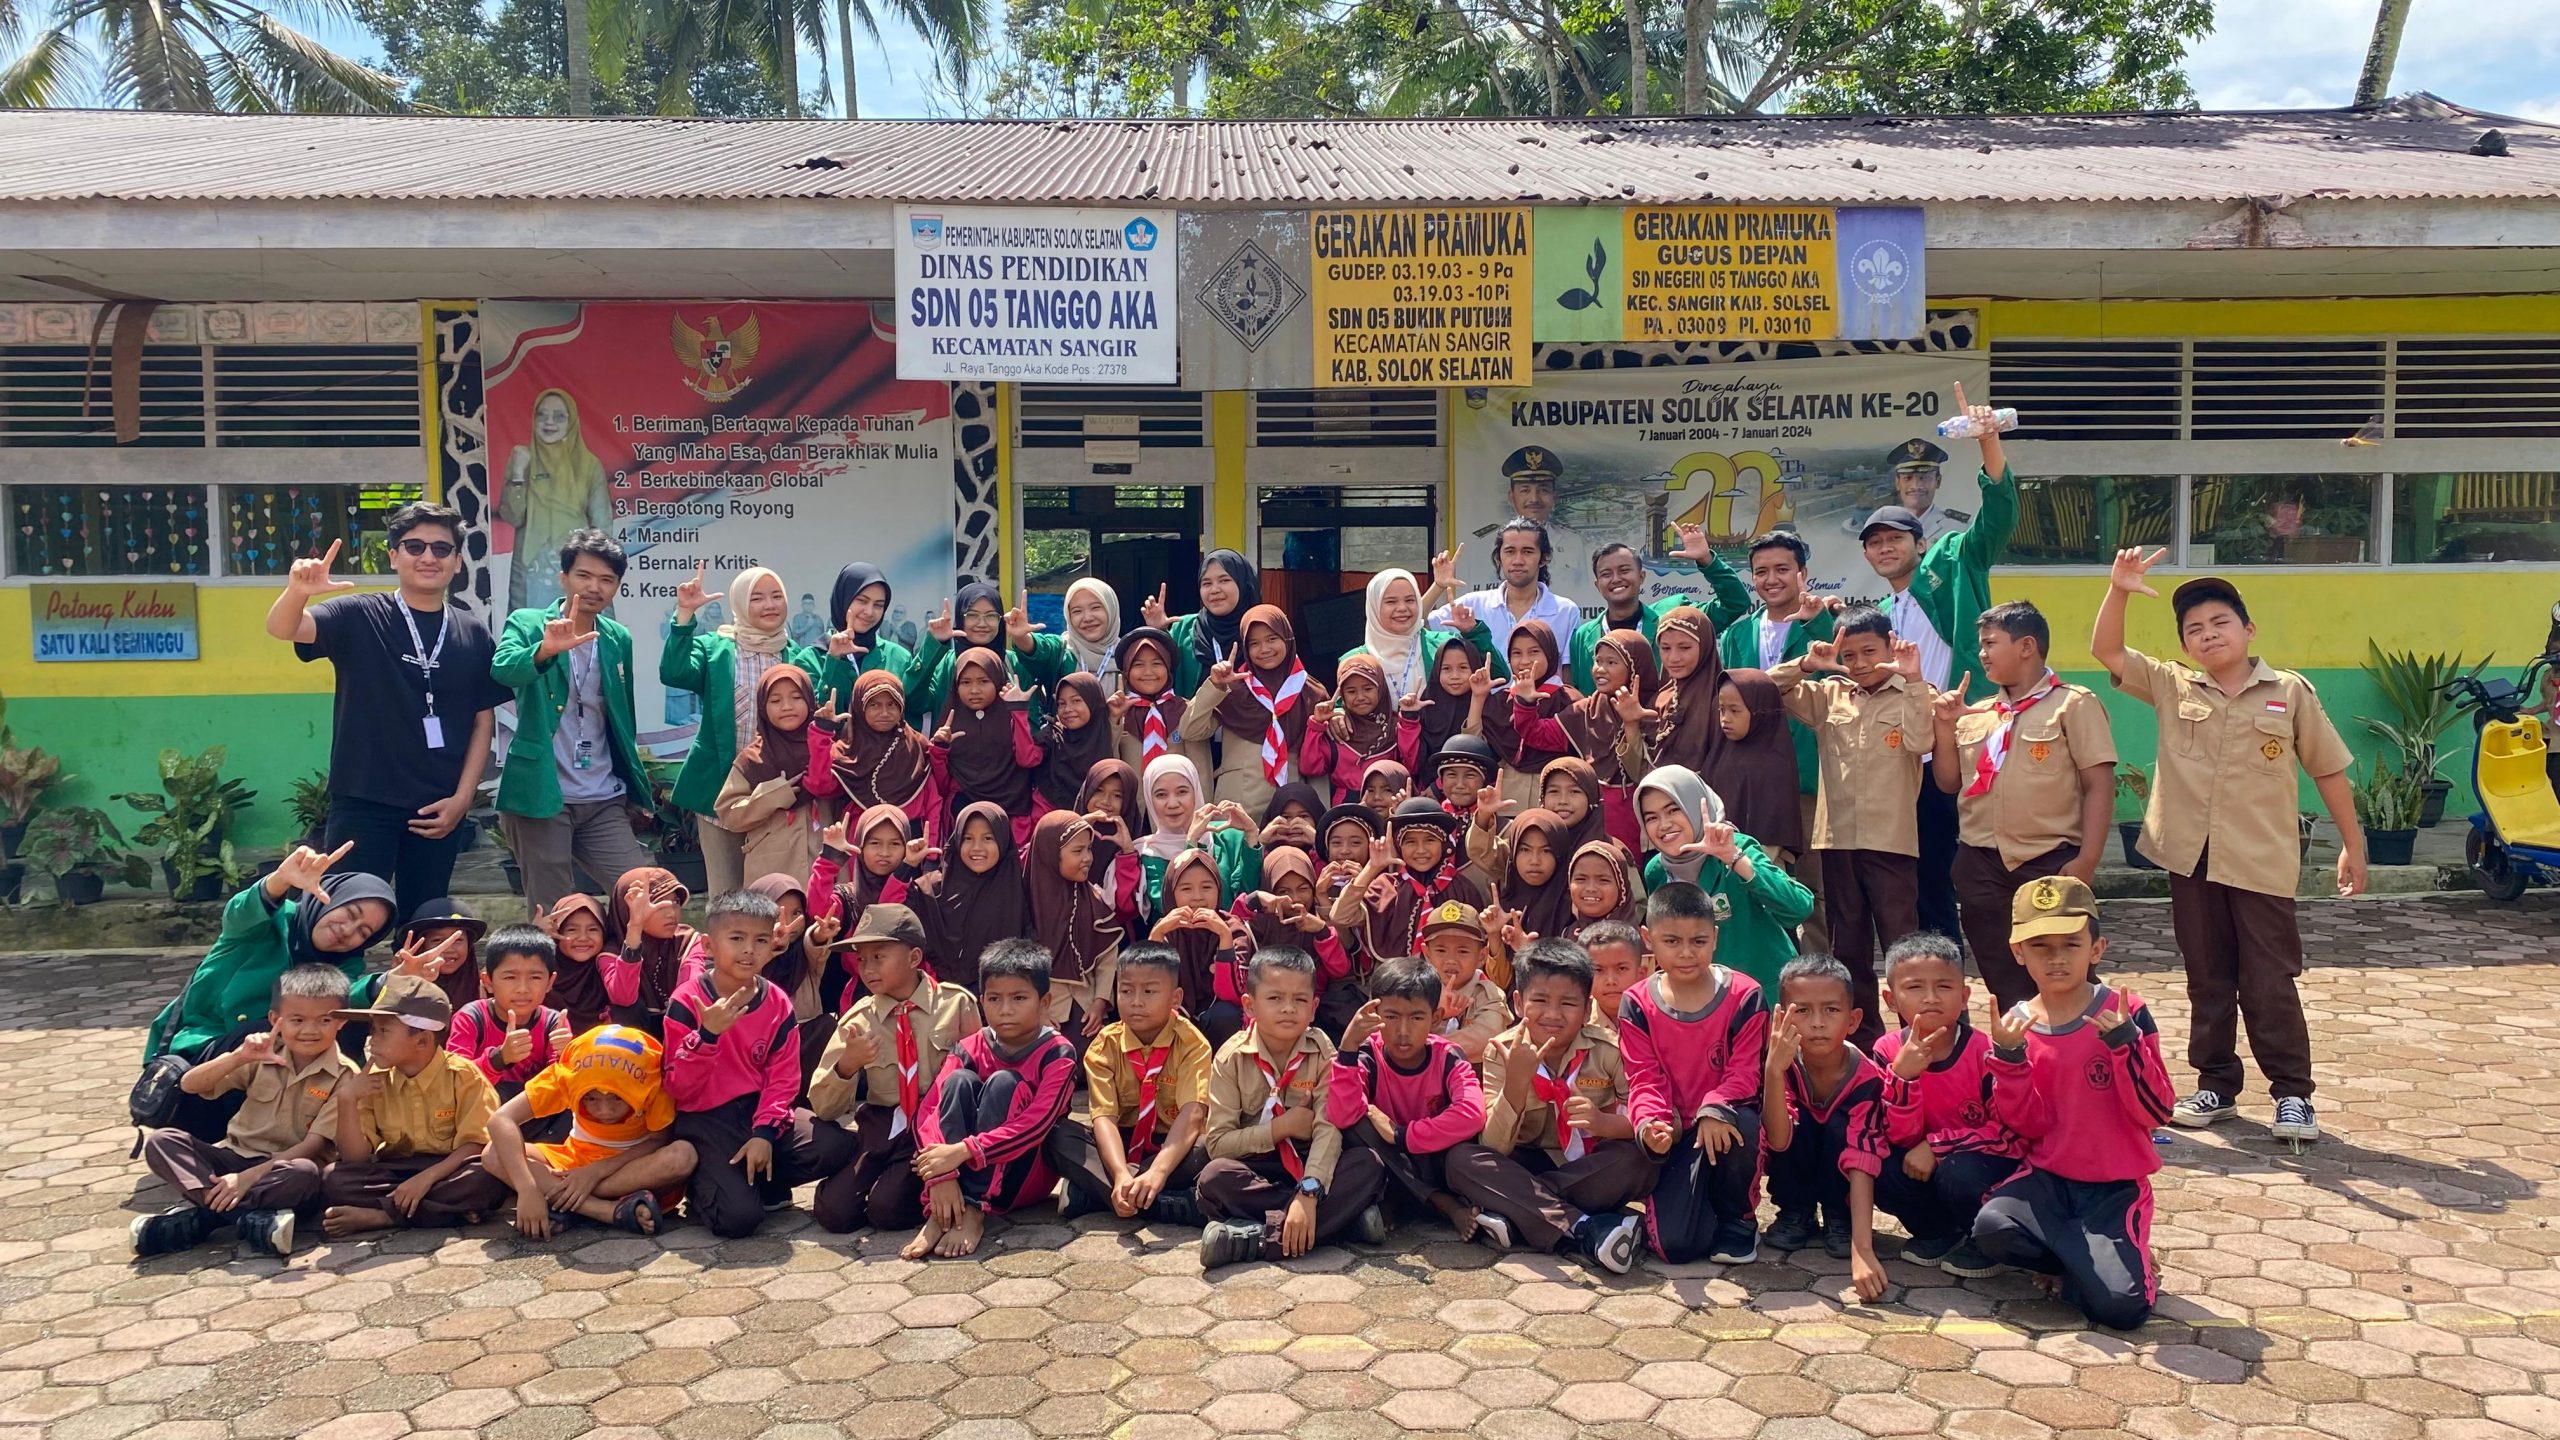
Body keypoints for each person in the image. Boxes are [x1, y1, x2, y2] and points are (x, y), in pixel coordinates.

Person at [2091, 552, 2363, 1143]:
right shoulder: (2171, 684)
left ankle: (2293, 1096)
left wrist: (2353, 843)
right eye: (2194, 629)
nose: (2208, 634)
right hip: (2191, 859)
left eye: (2220, 622)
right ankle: (2215, 1085)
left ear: (2248, 630)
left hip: (2261, 861)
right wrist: (2118, 591)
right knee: (2207, 977)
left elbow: (2330, 770)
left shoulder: (2288, 693)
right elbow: (2107, 652)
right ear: (2186, 645)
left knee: (2269, 980)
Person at [267, 503, 506, 918]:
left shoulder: (472, 631)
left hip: (437, 809)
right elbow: (283, 627)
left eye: (441, 548)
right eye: (414, 547)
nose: (428, 557)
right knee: (342, 917)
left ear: (456, 561)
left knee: (424, 920)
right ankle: (340, 986)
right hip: (364, 801)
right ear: (394, 556)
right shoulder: (358, 614)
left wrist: (462, 800)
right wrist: (298, 590)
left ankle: (412, 986)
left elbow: (482, 720)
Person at [1972, 877, 2176, 1330]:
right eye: (2040, 945)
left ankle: (2119, 1256)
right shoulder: (2017, 1025)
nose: (2057, 957)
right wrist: (2008, 1059)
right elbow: (2026, 1125)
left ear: (2096, 949)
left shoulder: (2126, 1013)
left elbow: (2158, 1111)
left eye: (2071, 944)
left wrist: (2125, 1046)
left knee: (2123, 1311)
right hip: (2048, 1181)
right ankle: (2081, 1262)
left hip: (2112, 1187)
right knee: (1991, 1229)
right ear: (2018, 951)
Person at [1860, 385, 2017, 949]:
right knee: (1923, 869)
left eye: (1894, 538)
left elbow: (1997, 516)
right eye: (1873, 542)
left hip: (1965, 740)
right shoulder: (1876, 615)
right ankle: (1939, 969)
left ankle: (2010, 967)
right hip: (1908, 756)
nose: (1884, 548)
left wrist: (1989, 441)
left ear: (1919, 543)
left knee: (1976, 866)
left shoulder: (1954, 564)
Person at [1933, 601, 2118, 1013]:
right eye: (1981, 645)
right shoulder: (1979, 714)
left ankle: (2092, 1052)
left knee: (2064, 967)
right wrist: (1945, 727)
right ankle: (2024, 1056)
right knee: (2001, 967)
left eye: (1990, 643)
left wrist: (2088, 858)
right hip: (1981, 862)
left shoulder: (2072, 704)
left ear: (2027, 646)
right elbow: (1948, 782)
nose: (1982, 653)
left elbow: (2099, 784)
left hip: (2048, 860)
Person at [1771, 609, 1936, 1037]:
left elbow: (1922, 742)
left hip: (1892, 841)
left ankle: (1916, 1034)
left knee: (1903, 946)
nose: (1859, 662)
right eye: (1849, 654)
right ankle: (1864, 1040)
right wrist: (1808, 664)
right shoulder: (1830, 695)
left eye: (1869, 651)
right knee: (1849, 947)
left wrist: (1915, 681)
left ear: (1891, 645)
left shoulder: (1914, 692)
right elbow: (1766, 689)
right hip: (1837, 839)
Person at [1448, 939, 1654, 1273]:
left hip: (1590, 1168)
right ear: (1518, 1002)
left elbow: (1652, 1115)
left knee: (1639, 1158)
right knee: (1461, 1160)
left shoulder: (1610, 1050)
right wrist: (1516, 1084)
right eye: (1540, 1000)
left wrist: (1605, 1123)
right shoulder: (1500, 1051)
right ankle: (1588, 1227)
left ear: (1587, 1009)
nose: (1553, 1014)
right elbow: (1494, 1145)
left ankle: (1519, 1213)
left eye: (1568, 1003)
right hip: (1526, 1161)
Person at [142, 843, 395, 1112]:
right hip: (203, 1058)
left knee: (343, 1020)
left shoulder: (346, 960)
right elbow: (241, 911)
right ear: (329, 897)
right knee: (265, 1031)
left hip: (273, 1065)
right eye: (350, 914)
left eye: (363, 932)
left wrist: (389, 981)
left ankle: (332, 1124)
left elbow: (345, 994)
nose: (348, 931)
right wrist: (280, 879)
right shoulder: (272, 919)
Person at [662, 889, 855, 1238]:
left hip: (758, 1111)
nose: (749, 949)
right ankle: (707, 1185)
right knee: (738, 1220)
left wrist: (764, 1132)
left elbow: (783, 1078)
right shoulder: (688, 1001)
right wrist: (707, 1036)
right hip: (707, 1118)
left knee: (837, 1145)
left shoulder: (777, 1002)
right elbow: (677, 1087)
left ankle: (762, 1178)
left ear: (773, 945)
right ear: (708, 945)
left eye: (761, 940)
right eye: (736, 938)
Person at [132, 964, 356, 1259]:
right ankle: (245, 1218)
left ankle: (202, 1218)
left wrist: (248, 1179)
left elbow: (311, 1146)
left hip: (281, 1170)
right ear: (276, 1019)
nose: (309, 1030)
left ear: (341, 1022)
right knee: (163, 1141)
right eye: (297, 1019)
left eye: (324, 1020)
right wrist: (238, 1057)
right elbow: (188, 1084)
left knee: (306, 1173)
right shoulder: (260, 1055)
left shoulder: (346, 1075)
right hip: (232, 1157)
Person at [492, 529, 655, 913]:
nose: (594, 587)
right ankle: (551, 975)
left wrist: (635, 789)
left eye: (607, 579)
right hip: (542, 795)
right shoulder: (530, 623)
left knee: (645, 897)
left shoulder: (617, 638)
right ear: (563, 577)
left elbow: (620, 718)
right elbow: (503, 670)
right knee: (554, 912)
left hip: (602, 797)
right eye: (584, 575)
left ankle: (627, 972)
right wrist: (545, 649)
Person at [1197, 947, 1388, 1268]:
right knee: (1214, 1178)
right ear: (1249, 1005)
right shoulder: (1231, 1057)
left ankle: (1256, 1241)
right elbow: (1218, 1143)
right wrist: (1281, 1128)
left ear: (1313, 1007)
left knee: (1368, 1165)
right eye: (1274, 999)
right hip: (1258, 1167)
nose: (1288, 1009)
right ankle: (1342, 1223)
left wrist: (1309, 1192)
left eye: (1300, 1000)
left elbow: (1328, 1128)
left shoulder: (1322, 1049)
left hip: (1311, 1163)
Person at [808, 904, 982, 1234]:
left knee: (885, 1210)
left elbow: (977, 1080)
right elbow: (823, 1106)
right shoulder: (860, 1019)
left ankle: (920, 1192)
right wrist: (849, 1063)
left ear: (914, 958)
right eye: (861, 959)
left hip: (934, 1127)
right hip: (882, 1129)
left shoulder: (956, 1004)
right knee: (834, 1213)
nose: (867, 968)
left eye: (879, 956)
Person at [1618, 881, 1765, 1266]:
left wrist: (1714, 1106)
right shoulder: (1636, 1003)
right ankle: (1696, 1206)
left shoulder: (1745, 996)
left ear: (1715, 938)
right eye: (1672, 941)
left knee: (1743, 1123)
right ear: (1648, 939)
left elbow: (1745, 1073)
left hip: (1723, 1125)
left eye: (1698, 941)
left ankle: (1739, 1218)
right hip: (1676, 1133)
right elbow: (1643, 1077)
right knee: (1675, 1247)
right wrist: (1652, 1123)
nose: (1686, 954)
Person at [904, 941, 1081, 1259]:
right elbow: (928, 1110)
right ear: (982, 1000)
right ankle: (942, 1210)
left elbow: (1036, 1124)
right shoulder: (970, 1046)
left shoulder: (1058, 1053)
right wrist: (941, 1176)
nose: (1006, 1009)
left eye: (1019, 998)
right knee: (958, 1082)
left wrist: (963, 1151)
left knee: (1004, 1084)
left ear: (1044, 1003)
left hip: (1024, 1175)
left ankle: (972, 1211)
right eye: (995, 999)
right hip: (954, 1169)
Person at [663, 565, 824, 896]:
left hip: (780, 792)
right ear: (739, 604)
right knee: (727, 893)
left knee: (774, 893)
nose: (769, 605)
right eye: (758, 598)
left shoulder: (795, 655)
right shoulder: (717, 649)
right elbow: (674, 672)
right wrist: (684, 614)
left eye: (777, 596)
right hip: (723, 790)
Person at [1871, 932, 2021, 1279]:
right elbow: (1896, 1134)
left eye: (1944, 986)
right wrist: (1904, 1079)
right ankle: (1936, 1232)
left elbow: (2007, 1132)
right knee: (1880, 1166)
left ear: (1964, 996)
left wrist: (1937, 1146)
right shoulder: (1886, 1050)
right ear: (1891, 999)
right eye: (1914, 988)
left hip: (1978, 1165)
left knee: (1959, 1171)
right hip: (1918, 1163)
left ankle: (1982, 1240)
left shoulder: (1985, 1051)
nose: (1931, 998)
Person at [1716, 532, 1840, 951]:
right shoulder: (1737, 635)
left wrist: (1817, 622)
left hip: (1810, 776)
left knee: (1814, 889)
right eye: (1761, 572)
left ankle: (1818, 975)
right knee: (1754, 877)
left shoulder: (1824, 626)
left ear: (1803, 573)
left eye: (1783, 569)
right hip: (1753, 783)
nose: (1772, 579)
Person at [317, 973, 509, 1237]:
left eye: (383, 1031)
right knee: (334, 1179)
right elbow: (356, 1158)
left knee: (484, 1178)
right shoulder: (373, 1080)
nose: (373, 1040)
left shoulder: (464, 1076)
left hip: (448, 1168)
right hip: (396, 1170)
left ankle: (384, 1217)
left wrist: (426, 1179)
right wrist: (347, 1101)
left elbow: (475, 1145)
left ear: (422, 1040)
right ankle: (443, 1211)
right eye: (373, 1030)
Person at [1049, 943, 1215, 1226]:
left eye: (1149, 992)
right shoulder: (1104, 1044)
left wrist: (1159, 1171)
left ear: (1175, 998)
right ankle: (1156, 1202)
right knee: (1058, 1135)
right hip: (1120, 1146)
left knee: (1210, 1146)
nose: (1136, 1001)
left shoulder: (1192, 1043)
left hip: (1172, 1145)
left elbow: (1193, 1114)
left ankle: (1097, 1194)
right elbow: (1104, 1117)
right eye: (1126, 991)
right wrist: (1120, 1173)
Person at [1758, 954, 1891, 1301]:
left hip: (1845, 1179)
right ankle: (1795, 1212)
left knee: (1838, 1125)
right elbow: (1778, 1138)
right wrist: (1773, 1072)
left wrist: (1862, 1249)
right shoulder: (1780, 1065)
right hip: (1794, 1159)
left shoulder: (1866, 1077)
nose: (1817, 1023)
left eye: (1831, 1010)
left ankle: (1838, 1216)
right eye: (1802, 1011)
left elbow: (1862, 1159)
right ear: (1782, 1017)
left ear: (1853, 1019)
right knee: (1791, 1122)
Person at [484, 1024, 694, 1239]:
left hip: (630, 1169)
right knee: (493, 1152)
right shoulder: (569, 1073)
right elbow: (500, 1119)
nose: (605, 1110)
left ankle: (561, 1200)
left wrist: (594, 1173)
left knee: (682, 1156)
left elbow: (659, 1139)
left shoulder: (652, 1078)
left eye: (617, 1098)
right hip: (573, 1162)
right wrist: (527, 1188)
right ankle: (609, 1212)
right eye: (591, 1099)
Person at [1327, 957, 1488, 1235]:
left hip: (1433, 1159)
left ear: (1435, 1018)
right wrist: (1348, 1048)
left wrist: (1402, 1135)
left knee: (1463, 1151)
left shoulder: (1447, 1056)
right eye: (1391, 1017)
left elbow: (1473, 1113)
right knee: (1359, 1125)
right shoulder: (1367, 1054)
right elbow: (1342, 1116)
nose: (1403, 1031)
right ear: (1374, 1015)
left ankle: (1397, 1201)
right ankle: (1443, 1205)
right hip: (1387, 1163)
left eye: (1416, 1017)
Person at [1634, 765, 1815, 996]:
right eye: (1652, 817)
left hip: (1765, 998)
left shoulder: (1735, 846)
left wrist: (1734, 859)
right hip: (1702, 1005)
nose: (1664, 824)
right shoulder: (1656, 871)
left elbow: (1799, 907)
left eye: (1673, 810)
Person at [1567, 531, 1752, 692]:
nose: (1616, 579)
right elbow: (1580, 693)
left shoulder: (1673, 615)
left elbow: (1734, 603)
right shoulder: (1583, 636)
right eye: (1606, 574)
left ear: (1641, 577)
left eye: (1624, 570)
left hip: (1667, 726)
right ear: (1597, 585)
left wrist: (1706, 560)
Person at [498, 388, 615, 619]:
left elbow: (602, 527)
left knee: (587, 637)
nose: (549, 422)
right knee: (530, 635)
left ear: (571, 421)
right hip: (531, 569)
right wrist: (519, 473)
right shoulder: (522, 459)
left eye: (559, 416)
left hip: (578, 568)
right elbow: (513, 516)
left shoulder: (589, 465)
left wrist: (593, 573)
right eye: (542, 415)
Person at [1330, 798, 1485, 966]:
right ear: (1399, 846)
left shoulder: (1462, 888)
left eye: (1429, 840)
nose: (1421, 850)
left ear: (1444, 844)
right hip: (1395, 984)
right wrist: (1372, 868)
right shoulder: (1385, 886)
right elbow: (1340, 917)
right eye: (1410, 842)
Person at [711, 663, 827, 886]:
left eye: (796, 697)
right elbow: (728, 813)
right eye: (775, 700)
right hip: (771, 871)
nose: (786, 706)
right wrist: (770, 796)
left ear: (810, 701)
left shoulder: (825, 749)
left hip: (824, 868)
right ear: (763, 707)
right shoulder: (752, 759)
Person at [911, 584, 1073, 728]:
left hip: (1011, 762)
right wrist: (932, 644)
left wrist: (1024, 640)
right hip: (951, 760)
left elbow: (1031, 723)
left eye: (991, 616)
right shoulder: (946, 664)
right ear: (960, 619)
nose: (982, 623)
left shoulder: (1015, 663)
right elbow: (914, 702)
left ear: (1000, 620)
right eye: (972, 615)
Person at [1026, 811, 1125, 1041]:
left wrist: (1100, 1003)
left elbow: (1107, 960)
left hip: (1087, 1006)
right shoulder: (1026, 902)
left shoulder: (1092, 899)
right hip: (1042, 1011)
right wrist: (1036, 1012)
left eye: (1088, 849)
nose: (1087, 857)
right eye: (1077, 851)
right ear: (1051, 855)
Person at [806, 670, 939, 842]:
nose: (884, 713)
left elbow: (933, 803)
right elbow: (820, 786)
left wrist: (931, 857)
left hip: (912, 844)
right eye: (874, 705)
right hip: (860, 843)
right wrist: (822, 732)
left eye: (891, 704)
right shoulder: (846, 751)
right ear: (860, 708)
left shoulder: (917, 746)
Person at [1426, 520, 1582, 665]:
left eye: (1527, 552)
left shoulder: (1565, 611)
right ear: (1498, 557)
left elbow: (1567, 674)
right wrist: (1438, 585)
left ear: (1544, 558)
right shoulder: (1473, 605)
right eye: (1510, 551)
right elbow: (1412, 624)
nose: (1518, 560)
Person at [912, 802, 1031, 992]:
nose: (977, 847)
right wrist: (907, 865)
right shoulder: (930, 889)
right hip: (934, 997)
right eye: (968, 838)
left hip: (1001, 998)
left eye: (988, 838)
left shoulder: (1018, 890)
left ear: (1002, 840)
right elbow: (890, 917)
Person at [445, 925, 573, 1099]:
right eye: (510, 977)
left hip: (534, 1110)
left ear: (550, 982)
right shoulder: (471, 1018)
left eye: (535, 977)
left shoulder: (554, 1023)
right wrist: (499, 1058)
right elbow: (455, 1081)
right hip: (483, 1112)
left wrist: (565, 1056)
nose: (522, 989)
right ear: (488, 981)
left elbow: (559, 1087)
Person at [1141, 549, 1260, 699]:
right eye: (1206, 583)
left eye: (1224, 580)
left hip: (1253, 721)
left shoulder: (1260, 627)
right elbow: (1155, 678)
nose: (1214, 590)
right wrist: (1157, 632)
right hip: (1194, 721)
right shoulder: (1183, 629)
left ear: (1243, 584)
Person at [1485, 445, 1598, 592]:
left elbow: (1583, 591)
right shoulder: (1492, 541)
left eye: (1543, 490)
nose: (1534, 499)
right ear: (1511, 497)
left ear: (1554, 497)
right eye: (1525, 490)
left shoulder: (1572, 541)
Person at [811, 563, 917, 715]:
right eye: (862, 601)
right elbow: (815, 715)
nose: (869, 612)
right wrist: (834, 660)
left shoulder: (899, 657)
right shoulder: (810, 658)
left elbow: (914, 711)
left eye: (878, 605)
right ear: (843, 598)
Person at [599, 866, 694, 1034]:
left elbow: (692, 990)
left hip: (681, 1035)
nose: (672, 913)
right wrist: (635, 926)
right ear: (626, 909)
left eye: (676, 902)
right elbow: (623, 998)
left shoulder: (688, 941)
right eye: (658, 904)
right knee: (626, 1011)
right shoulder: (611, 952)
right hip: (635, 1045)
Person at [1111, 628, 1202, 777]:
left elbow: (1200, 768)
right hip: (1134, 800)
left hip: (1179, 800)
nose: (1148, 672)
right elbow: (1109, 764)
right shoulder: (1119, 716)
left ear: (1168, 669)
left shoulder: (1185, 710)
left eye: (1157, 664)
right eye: (1138, 665)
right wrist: (1113, 721)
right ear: (1126, 672)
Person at [539, 894, 616, 1036]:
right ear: (555, 933)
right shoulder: (542, 970)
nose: (583, 938)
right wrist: (535, 935)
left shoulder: (609, 968)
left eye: (593, 929)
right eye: (572, 930)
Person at [1885, 438, 1973, 546]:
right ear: (1897, 483)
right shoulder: (1884, 528)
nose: (1916, 486)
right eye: (1907, 478)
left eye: (1925, 478)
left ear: (1938, 481)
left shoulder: (1960, 528)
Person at [1060, 578, 1125, 694]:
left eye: (1095, 608)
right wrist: (1023, 639)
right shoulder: (1061, 653)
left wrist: (1159, 630)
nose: (1087, 618)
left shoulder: (1128, 656)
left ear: (1111, 609)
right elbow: (1038, 649)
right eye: (1077, 611)